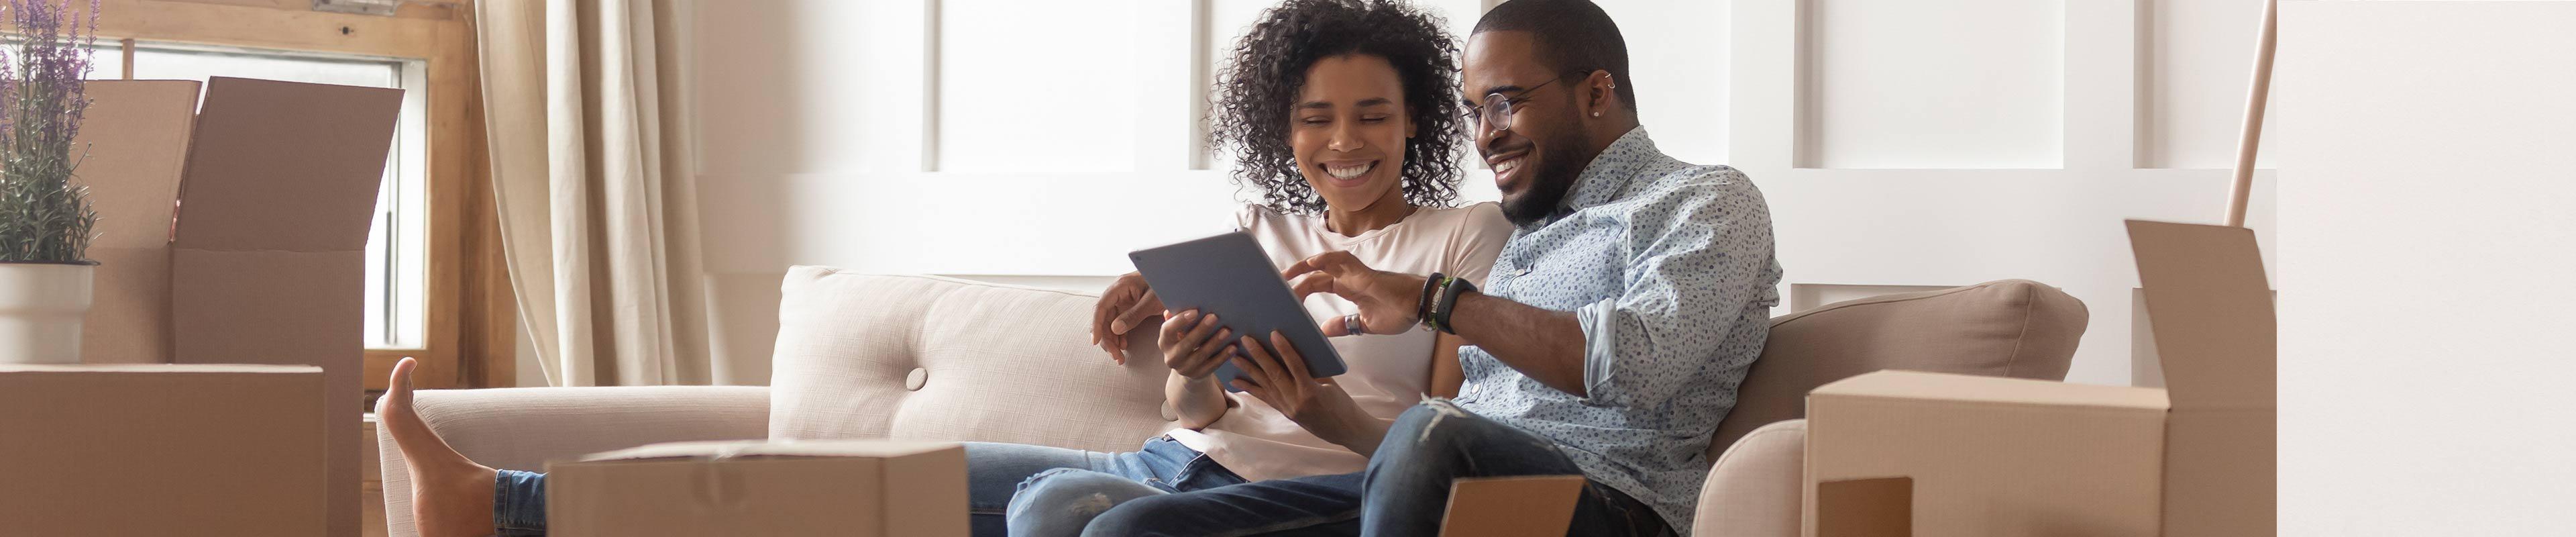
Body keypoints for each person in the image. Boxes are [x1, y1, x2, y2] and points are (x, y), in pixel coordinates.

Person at [371, 1, 1513, 536]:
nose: (1345, 141)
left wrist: (1315, 402)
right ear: (1285, 128)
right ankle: (498, 502)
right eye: (1318, 119)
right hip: (1182, 456)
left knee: (1053, 513)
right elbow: (1191, 406)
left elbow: (1442, 445)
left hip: (1292, 500)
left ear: (1420, 120)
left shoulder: (1464, 244)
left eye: (1373, 115)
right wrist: (1192, 373)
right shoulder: (1255, 227)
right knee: (834, 482)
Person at [1072, 0, 1783, 536]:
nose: (1484, 136)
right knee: (1124, 529)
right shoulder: (1530, 230)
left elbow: (1635, 363)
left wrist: (1436, 299)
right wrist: (1334, 415)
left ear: (1596, 94)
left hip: (1606, 500)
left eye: (1504, 104)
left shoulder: (1706, 200)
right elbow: (1440, 444)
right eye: (1473, 111)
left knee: (1431, 426)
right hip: (1443, 484)